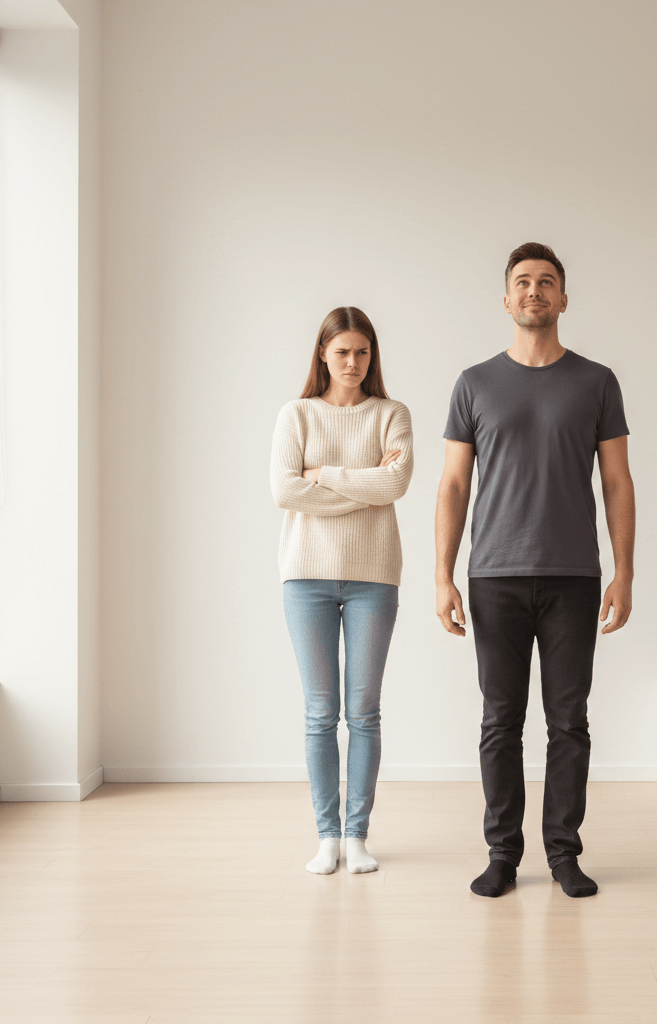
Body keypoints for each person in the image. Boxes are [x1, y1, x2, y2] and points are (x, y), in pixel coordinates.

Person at [435, 243, 635, 898]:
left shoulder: (596, 382)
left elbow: (616, 480)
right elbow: (454, 486)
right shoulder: (474, 383)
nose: (534, 292)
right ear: (505, 299)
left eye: (546, 282)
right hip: (493, 575)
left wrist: (623, 572)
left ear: (563, 299)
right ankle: (501, 855)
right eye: (522, 282)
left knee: (568, 720)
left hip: (574, 574)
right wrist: (442, 575)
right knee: (500, 721)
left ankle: (564, 854)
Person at [271, 306, 413, 875]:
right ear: (322, 356)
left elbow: (397, 482)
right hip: (305, 576)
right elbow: (284, 491)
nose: (352, 362)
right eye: (341, 352)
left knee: (364, 711)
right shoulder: (296, 415)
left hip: (374, 576)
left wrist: (323, 475)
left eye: (362, 352)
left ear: (371, 356)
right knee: (319, 712)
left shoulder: (391, 413)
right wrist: (363, 484)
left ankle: (358, 834)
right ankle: (326, 835)